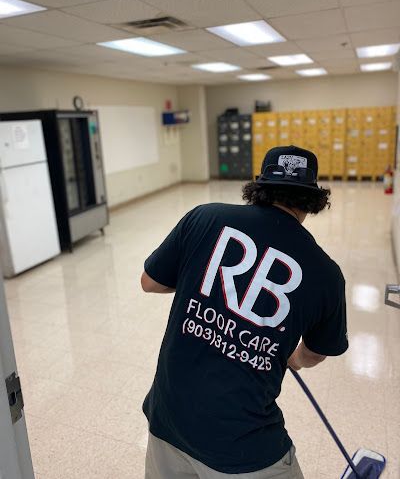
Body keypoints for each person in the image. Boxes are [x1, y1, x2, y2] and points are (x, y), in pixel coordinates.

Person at [141, 145, 348, 479]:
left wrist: (200, 281)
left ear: (260, 186)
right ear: (313, 199)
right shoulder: (325, 273)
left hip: (168, 420)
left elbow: (150, 282)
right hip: (245, 448)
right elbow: (317, 352)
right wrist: (293, 359)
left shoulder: (204, 217)